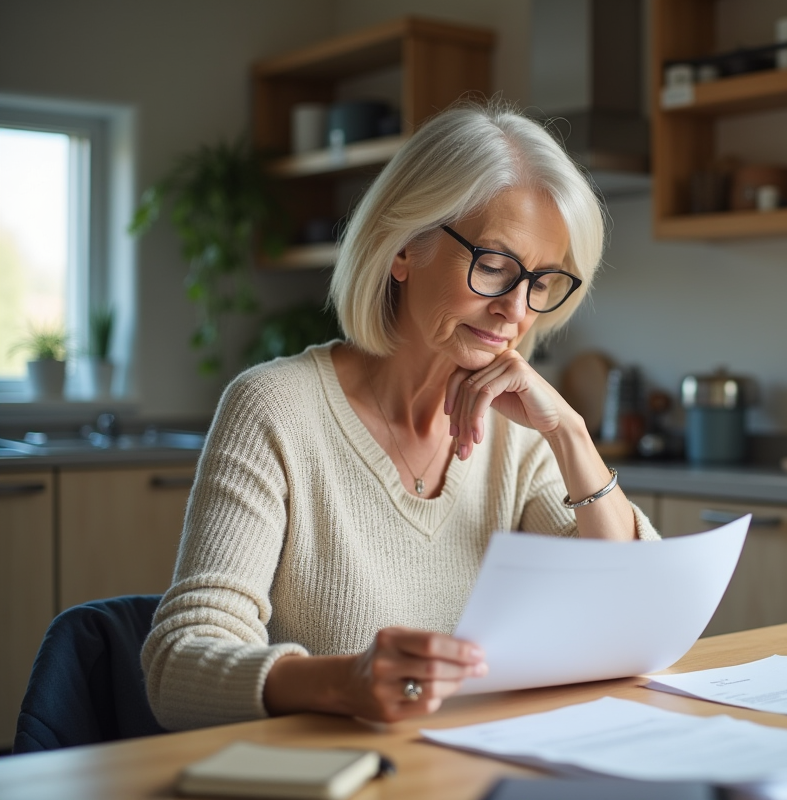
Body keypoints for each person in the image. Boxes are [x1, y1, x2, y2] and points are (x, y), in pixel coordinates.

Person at [141, 102, 660, 732]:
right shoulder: (276, 410)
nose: (516, 312)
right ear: (404, 247)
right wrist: (346, 682)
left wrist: (570, 435)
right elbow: (177, 666)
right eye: (494, 267)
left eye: (542, 281)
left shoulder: (518, 437)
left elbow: (637, 616)